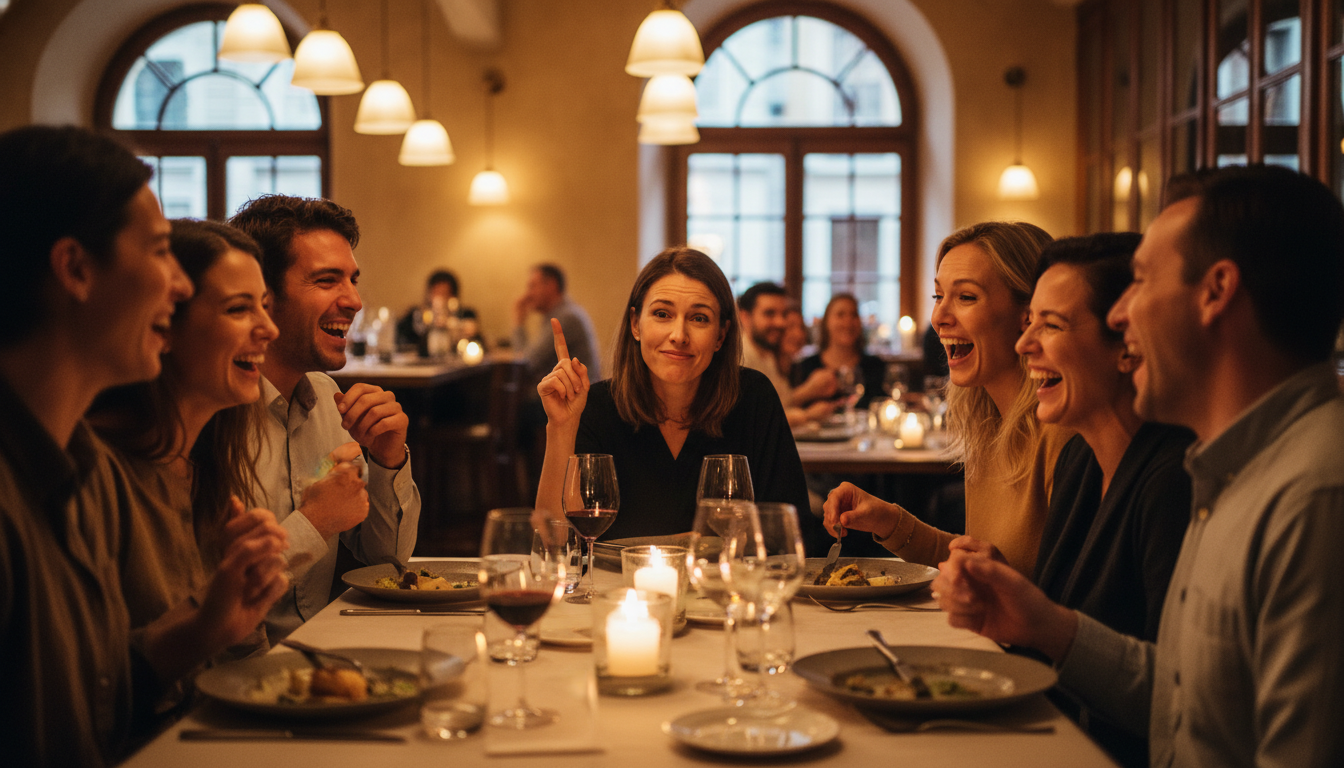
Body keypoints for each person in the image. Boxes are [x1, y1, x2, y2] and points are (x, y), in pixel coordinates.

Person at [933, 165, 1344, 768]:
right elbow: (1185, 704)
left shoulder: (1314, 494)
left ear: (1217, 291)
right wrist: (1051, 626)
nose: (1123, 316)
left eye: (1143, 281)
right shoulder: (1231, 469)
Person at [0, 125, 289, 766]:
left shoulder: (78, 472)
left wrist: (203, 628)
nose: (179, 286)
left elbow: (93, 706)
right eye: (159, 252)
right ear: (75, 268)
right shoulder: (56, 482)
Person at [957, 233, 1193, 767]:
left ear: (1126, 345)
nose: (1024, 345)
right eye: (1029, 323)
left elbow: (1182, 701)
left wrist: (1040, 621)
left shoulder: (1173, 481)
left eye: (1052, 325)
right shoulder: (1082, 462)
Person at [823, 221, 1070, 576]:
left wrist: (1003, 583)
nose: (939, 317)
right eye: (939, 296)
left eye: (966, 297)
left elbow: (1067, 605)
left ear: (1028, 314)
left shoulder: (1061, 436)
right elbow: (973, 555)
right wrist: (888, 520)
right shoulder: (988, 428)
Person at [532, 247, 818, 552]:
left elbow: (788, 533)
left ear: (721, 335)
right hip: (619, 596)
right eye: (662, 314)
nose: (679, 334)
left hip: (725, 594)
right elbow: (553, 544)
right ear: (635, 323)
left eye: (698, 318)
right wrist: (561, 426)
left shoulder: (753, 399)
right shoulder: (598, 405)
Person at [230, 195, 420, 642]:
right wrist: (314, 521)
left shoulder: (327, 397)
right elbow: (206, 596)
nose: (354, 300)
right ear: (264, 297)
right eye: (326, 280)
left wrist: (389, 461)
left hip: (329, 648)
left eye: (352, 280)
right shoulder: (214, 415)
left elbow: (386, 563)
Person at [738, 282, 837, 425]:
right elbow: (753, 420)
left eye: (783, 314)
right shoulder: (739, 359)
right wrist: (807, 415)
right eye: (769, 314)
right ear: (745, 317)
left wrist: (811, 390)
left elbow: (779, 403)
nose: (780, 323)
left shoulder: (767, 355)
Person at [513, 263, 601, 384]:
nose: (528, 294)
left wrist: (518, 323)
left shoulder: (565, 317)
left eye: (532, 286)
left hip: (580, 398)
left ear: (551, 285)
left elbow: (527, 364)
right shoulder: (559, 313)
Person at [796, 293, 886, 410]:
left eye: (854, 315)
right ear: (826, 322)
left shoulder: (875, 366)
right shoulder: (806, 367)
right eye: (840, 315)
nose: (848, 322)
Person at [395, 268, 482, 353]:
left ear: (453, 296)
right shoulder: (417, 315)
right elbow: (401, 337)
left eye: (445, 293)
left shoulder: (465, 315)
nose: (440, 298)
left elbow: (477, 342)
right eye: (436, 293)